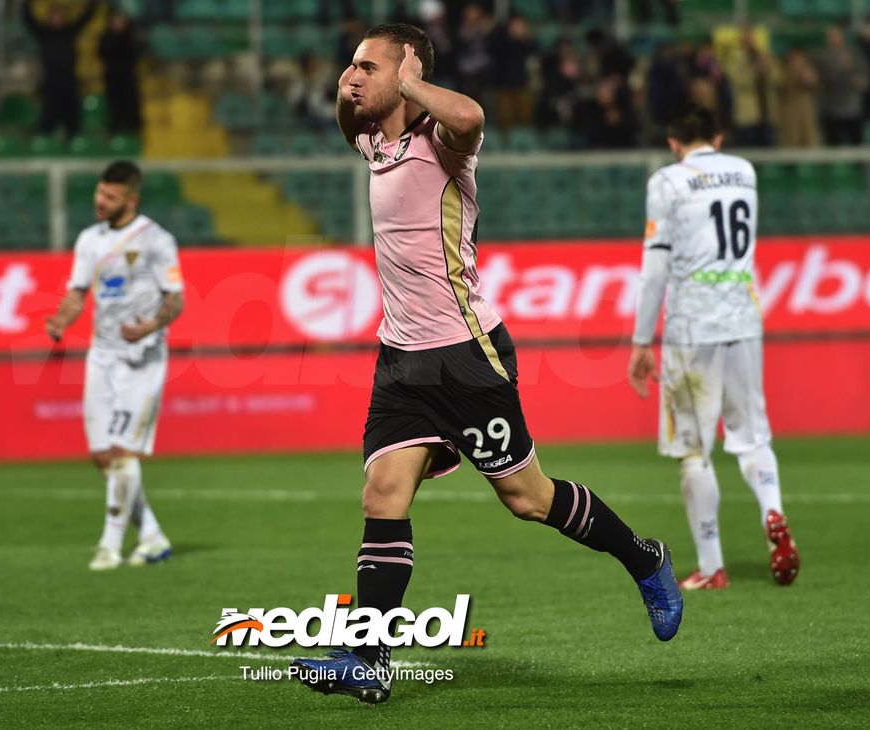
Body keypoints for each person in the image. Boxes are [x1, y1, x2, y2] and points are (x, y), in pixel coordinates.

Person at [290, 23, 682, 706]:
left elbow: (469, 113)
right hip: (401, 360)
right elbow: (346, 115)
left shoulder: (446, 146)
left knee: (528, 499)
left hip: (467, 356)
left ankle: (643, 557)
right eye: (351, 65)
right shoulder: (375, 143)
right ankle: (367, 656)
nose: (355, 76)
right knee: (382, 495)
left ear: (410, 76)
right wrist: (353, 83)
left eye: (369, 66)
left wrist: (405, 81)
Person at [627, 105, 800, 592]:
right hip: (744, 318)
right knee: (753, 435)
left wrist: (642, 341)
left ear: (672, 142)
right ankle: (773, 512)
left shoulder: (668, 181)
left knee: (695, 450)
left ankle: (711, 565)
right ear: (719, 137)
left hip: (692, 324)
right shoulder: (743, 172)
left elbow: (656, 267)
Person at [45, 161, 184, 571]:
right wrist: (60, 320)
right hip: (101, 355)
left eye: (109, 196)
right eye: (98, 193)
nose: (100, 202)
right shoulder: (89, 240)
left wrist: (151, 325)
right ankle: (153, 537)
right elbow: (77, 292)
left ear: (130, 199)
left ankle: (108, 546)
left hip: (141, 357)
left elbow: (175, 299)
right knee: (103, 456)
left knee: (123, 452)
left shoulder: (157, 240)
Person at [23, 0, 98, 138]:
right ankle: (46, 141)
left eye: (60, 16)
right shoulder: (43, 33)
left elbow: (87, 17)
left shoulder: (70, 31)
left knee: (72, 115)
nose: (57, 19)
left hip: (68, 80)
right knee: (48, 116)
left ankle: (73, 138)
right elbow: (28, 19)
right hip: (51, 80)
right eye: (54, 16)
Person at [99, 9, 144, 136]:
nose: (117, 23)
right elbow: (102, 54)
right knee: (114, 104)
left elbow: (136, 53)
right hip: (112, 76)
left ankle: (132, 129)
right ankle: (115, 128)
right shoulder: (106, 36)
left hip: (128, 76)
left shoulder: (130, 37)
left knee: (130, 103)